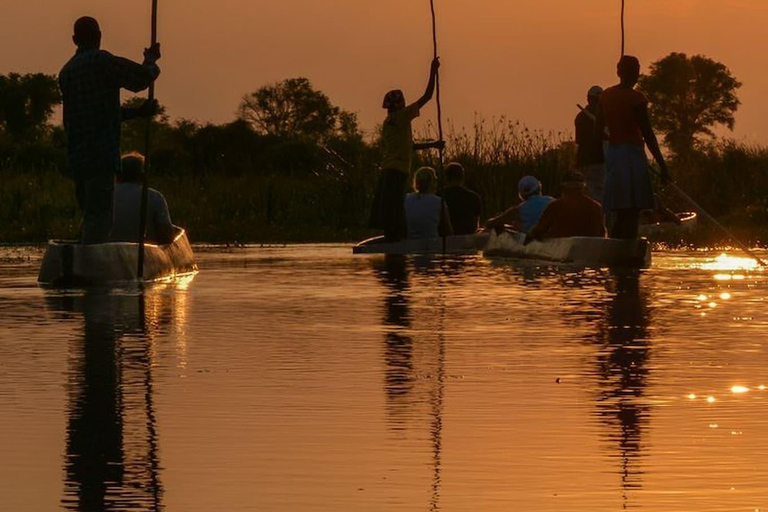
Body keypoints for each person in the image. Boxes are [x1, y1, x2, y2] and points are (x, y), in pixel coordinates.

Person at [59, 16, 161, 244]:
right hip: (100, 156)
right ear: (99, 36)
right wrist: (150, 60)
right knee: (100, 218)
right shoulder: (102, 61)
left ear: (74, 39)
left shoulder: (66, 72)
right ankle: (92, 266)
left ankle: (81, 261)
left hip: (77, 159)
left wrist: (138, 112)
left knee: (89, 214)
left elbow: (97, 113)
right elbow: (140, 79)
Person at [595, 55, 670, 240]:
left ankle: (616, 241)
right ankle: (626, 244)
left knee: (619, 206)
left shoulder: (606, 96)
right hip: (632, 155)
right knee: (633, 207)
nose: (636, 74)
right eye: (635, 70)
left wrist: (613, 135)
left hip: (614, 153)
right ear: (632, 73)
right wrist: (662, 165)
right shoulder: (637, 99)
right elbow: (648, 134)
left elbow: (597, 131)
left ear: (618, 72)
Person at [369, 58, 443, 242]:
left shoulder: (389, 123)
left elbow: (408, 146)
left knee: (391, 208)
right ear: (400, 104)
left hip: (388, 169)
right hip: (397, 170)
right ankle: (397, 241)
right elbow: (427, 96)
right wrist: (433, 71)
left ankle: (393, 238)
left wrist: (433, 145)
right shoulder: (401, 117)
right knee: (395, 209)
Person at [111, 153, 175, 244]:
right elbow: (166, 237)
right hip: (143, 252)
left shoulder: (104, 196)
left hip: (108, 251)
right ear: (142, 175)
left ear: (117, 174)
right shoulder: (154, 197)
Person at [525, 171, 605, 243]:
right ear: (583, 188)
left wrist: (529, 236)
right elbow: (602, 234)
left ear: (563, 188)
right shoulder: (596, 207)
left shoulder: (555, 206)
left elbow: (539, 230)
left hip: (563, 249)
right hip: (591, 249)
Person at [485, 176, 554, 233]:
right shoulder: (552, 201)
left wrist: (494, 220)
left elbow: (490, 224)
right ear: (539, 188)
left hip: (531, 242)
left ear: (521, 194)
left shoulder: (519, 210)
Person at [575, 85, 607, 202]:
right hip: (594, 160)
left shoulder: (602, 117)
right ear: (589, 99)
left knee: (594, 191)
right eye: (596, 99)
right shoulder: (583, 118)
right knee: (595, 192)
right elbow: (581, 140)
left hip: (590, 160)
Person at [405, 167, 452, 239]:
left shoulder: (406, 199)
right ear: (432, 182)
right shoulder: (439, 202)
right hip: (433, 244)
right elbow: (447, 230)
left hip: (410, 244)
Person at [439, 162, 483, 235]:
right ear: (462, 177)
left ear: (446, 178)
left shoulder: (438, 197)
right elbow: (475, 225)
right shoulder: (474, 197)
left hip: (444, 242)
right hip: (467, 240)